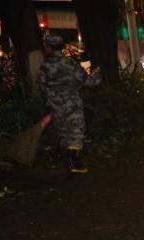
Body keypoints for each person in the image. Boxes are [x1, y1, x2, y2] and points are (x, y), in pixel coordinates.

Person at [38, 34, 100, 173]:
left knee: (62, 130)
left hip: (54, 104)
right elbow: (88, 82)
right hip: (71, 103)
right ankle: (74, 162)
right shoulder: (71, 63)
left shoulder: (45, 66)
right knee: (76, 130)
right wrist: (96, 74)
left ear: (48, 47)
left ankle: (62, 158)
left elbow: (42, 87)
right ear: (63, 46)